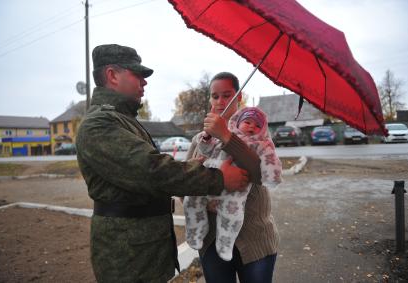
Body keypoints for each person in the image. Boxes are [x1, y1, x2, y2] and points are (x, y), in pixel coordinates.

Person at [75, 44, 249, 283]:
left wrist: (194, 166)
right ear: (112, 75)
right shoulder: (100, 124)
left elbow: (149, 167)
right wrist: (218, 179)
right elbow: (152, 171)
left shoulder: (122, 119)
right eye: (138, 74)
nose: (144, 82)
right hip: (128, 257)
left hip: (144, 250)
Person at [185, 72, 281, 283]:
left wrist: (227, 136)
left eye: (227, 95)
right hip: (212, 241)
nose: (220, 102)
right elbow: (184, 181)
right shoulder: (200, 139)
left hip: (255, 240)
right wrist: (208, 191)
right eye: (215, 96)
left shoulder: (258, 134)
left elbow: (260, 175)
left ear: (239, 98)